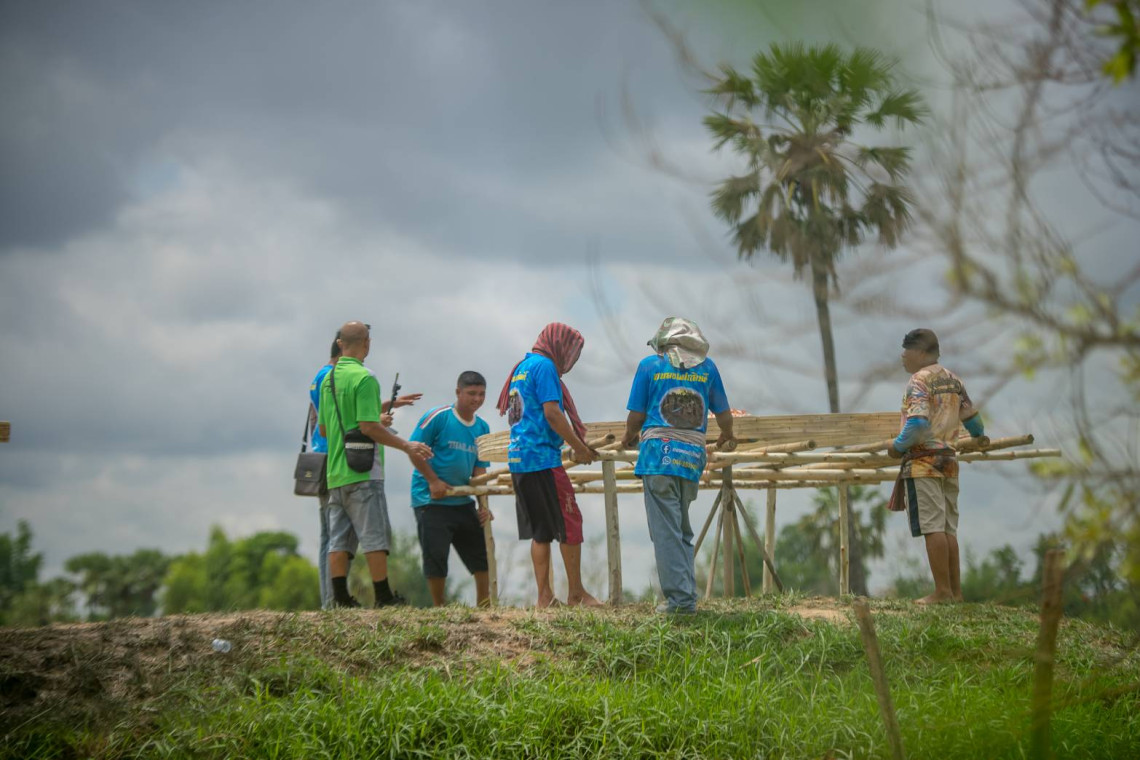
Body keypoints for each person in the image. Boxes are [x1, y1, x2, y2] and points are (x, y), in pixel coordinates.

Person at [621, 317, 735, 614]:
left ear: (664, 342)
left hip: (658, 457)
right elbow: (724, 415)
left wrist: (628, 436)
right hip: (691, 458)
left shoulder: (650, 366)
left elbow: (636, 416)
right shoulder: (708, 368)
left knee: (666, 531)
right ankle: (686, 596)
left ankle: (681, 602)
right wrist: (727, 435)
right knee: (681, 529)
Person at [317, 321, 433, 608]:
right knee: (375, 536)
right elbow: (369, 427)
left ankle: (340, 599)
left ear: (340, 344)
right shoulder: (365, 378)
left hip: (335, 472)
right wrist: (406, 445)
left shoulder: (328, 380)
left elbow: (323, 429)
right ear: (367, 343)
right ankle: (383, 596)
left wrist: (382, 410)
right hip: (363, 470)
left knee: (338, 539)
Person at [496, 323, 602, 608]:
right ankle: (576, 593)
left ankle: (544, 596)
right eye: (569, 351)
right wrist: (579, 447)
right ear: (558, 346)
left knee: (540, 531)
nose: (569, 358)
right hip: (542, 458)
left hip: (520, 458)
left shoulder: (523, 367)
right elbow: (553, 413)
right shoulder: (544, 367)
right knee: (570, 521)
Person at [887, 328, 986, 605]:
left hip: (924, 463)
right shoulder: (953, 380)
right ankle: (955, 592)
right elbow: (974, 420)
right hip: (949, 461)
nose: (902, 357)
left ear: (920, 352)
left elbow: (917, 424)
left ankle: (941, 592)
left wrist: (897, 446)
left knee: (933, 527)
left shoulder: (919, 380)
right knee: (948, 528)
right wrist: (979, 437)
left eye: (906, 351)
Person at [407, 371, 494, 606]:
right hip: (431, 500)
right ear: (458, 392)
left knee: (481, 554)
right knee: (436, 556)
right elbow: (413, 450)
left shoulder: (482, 427)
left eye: (481, 394)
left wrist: (483, 505)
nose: (477, 399)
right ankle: (440, 606)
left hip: (462, 499)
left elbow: (480, 471)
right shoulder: (438, 417)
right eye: (471, 393)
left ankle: (484, 604)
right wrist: (433, 481)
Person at [308, 337, 340, 609]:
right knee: (333, 534)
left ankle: (330, 599)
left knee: (329, 534)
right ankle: (331, 600)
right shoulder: (331, 377)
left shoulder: (319, 376)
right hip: (332, 457)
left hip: (322, 456)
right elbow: (335, 418)